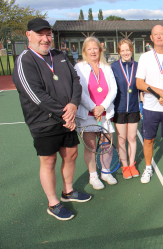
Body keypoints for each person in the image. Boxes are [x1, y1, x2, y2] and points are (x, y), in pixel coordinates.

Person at [12, 18, 91, 221]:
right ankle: (53, 203)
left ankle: (68, 191)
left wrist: (73, 105)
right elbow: (35, 94)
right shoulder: (25, 60)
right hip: (43, 121)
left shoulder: (60, 55)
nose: (46, 39)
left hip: (67, 117)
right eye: (41, 34)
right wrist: (66, 114)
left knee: (71, 154)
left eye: (48, 35)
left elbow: (76, 81)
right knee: (49, 161)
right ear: (29, 35)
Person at [136, 25, 163, 183]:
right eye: (156, 34)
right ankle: (148, 168)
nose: (159, 36)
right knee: (148, 140)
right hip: (150, 107)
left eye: (162, 34)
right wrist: (160, 93)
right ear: (151, 37)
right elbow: (139, 83)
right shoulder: (145, 57)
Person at [75, 36, 118, 190]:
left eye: (95, 48)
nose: (93, 51)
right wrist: (94, 107)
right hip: (88, 115)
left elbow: (114, 89)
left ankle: (106, 172)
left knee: (106, 144)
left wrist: (103, 107)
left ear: (100, 50)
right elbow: (78, 91)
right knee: (91, 146)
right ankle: (93, 176)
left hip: (104, 114)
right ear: (85, 51)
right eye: (89, 49)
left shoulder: (107, 67)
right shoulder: (79, 67)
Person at [111, 38, 140, 179]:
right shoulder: (114, 67)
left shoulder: (138, 66)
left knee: (132, 137)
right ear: (119, 52)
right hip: (119, 108)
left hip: (134, 107)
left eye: (127, 49)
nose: (125, 52)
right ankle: (124, 166)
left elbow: (141, 87)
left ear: (131, 50)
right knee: (121, 139)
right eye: (122, 50)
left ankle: (132, 164)